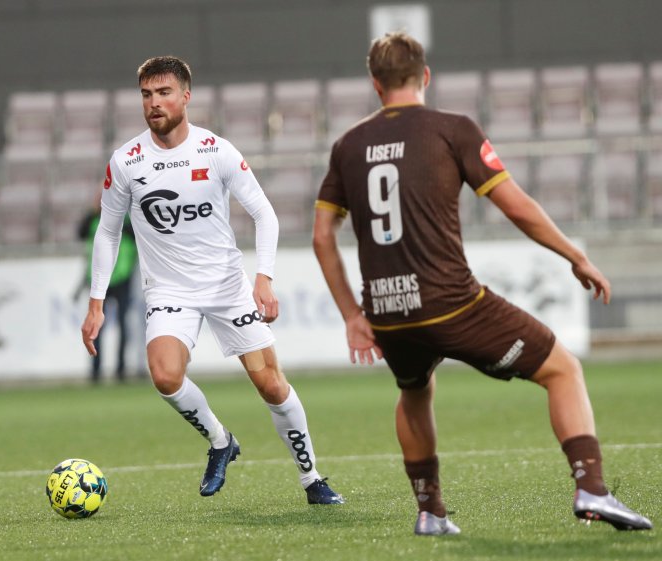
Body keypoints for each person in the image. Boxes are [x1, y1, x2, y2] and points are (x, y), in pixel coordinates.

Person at [312, 32, 652, 535]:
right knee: (563, 370)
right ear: (424, 76)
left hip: (386, 311)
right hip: (450, 303)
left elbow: (322, 236)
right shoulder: (453, 129)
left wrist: (352, 316)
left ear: (375, 84)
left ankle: (430, 512)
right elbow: (515, 205)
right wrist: (575, 255)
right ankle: (593, 489)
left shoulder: (348, 145)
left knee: (414, 390)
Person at [81, 56, 343, 504]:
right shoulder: (126, 160)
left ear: (186, 96)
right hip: (169, 292)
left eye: (163, 93)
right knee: (165, 376)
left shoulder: (215, 150)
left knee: (272, 386)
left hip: (227, 289)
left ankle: (312, 478)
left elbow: (265, 214)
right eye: (146, 95)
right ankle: (222, 441)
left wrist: (264, 278)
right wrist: (95, 301)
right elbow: (107, 231)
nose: (154, 104)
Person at [75, 196, 138, 383]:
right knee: (96, 327)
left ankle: (121, 369)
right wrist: (93, 211)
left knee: (122, 325)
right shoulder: (93, 220)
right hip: (98, 280)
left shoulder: (127, 221)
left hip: (122, 277)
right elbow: (80, 232)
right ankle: (96, 370)